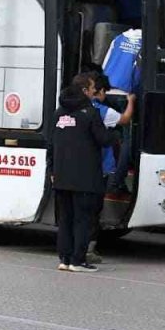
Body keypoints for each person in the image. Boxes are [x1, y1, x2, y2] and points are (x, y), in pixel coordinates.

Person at [45, 82, 114, 273]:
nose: (93, 92)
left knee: (65, 219)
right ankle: (78, 261)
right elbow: (104, 140)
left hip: (61, 176)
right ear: (83, 93)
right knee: (82, 219)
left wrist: (52, 170)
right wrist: (115, 134)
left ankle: (64, 259)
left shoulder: (58, 113)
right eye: (90, 89)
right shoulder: (90, 113)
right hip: (85, 177)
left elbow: (50, 144)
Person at [76, 72, 136, 265]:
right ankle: (88, 249)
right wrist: (131, 102)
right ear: (98, 92)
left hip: (77, 166)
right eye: (102, 92)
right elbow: (125, 119)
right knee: (93, 210)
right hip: (99, 168)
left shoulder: (68, 109)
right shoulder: (101, 111)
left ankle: (74, 249)